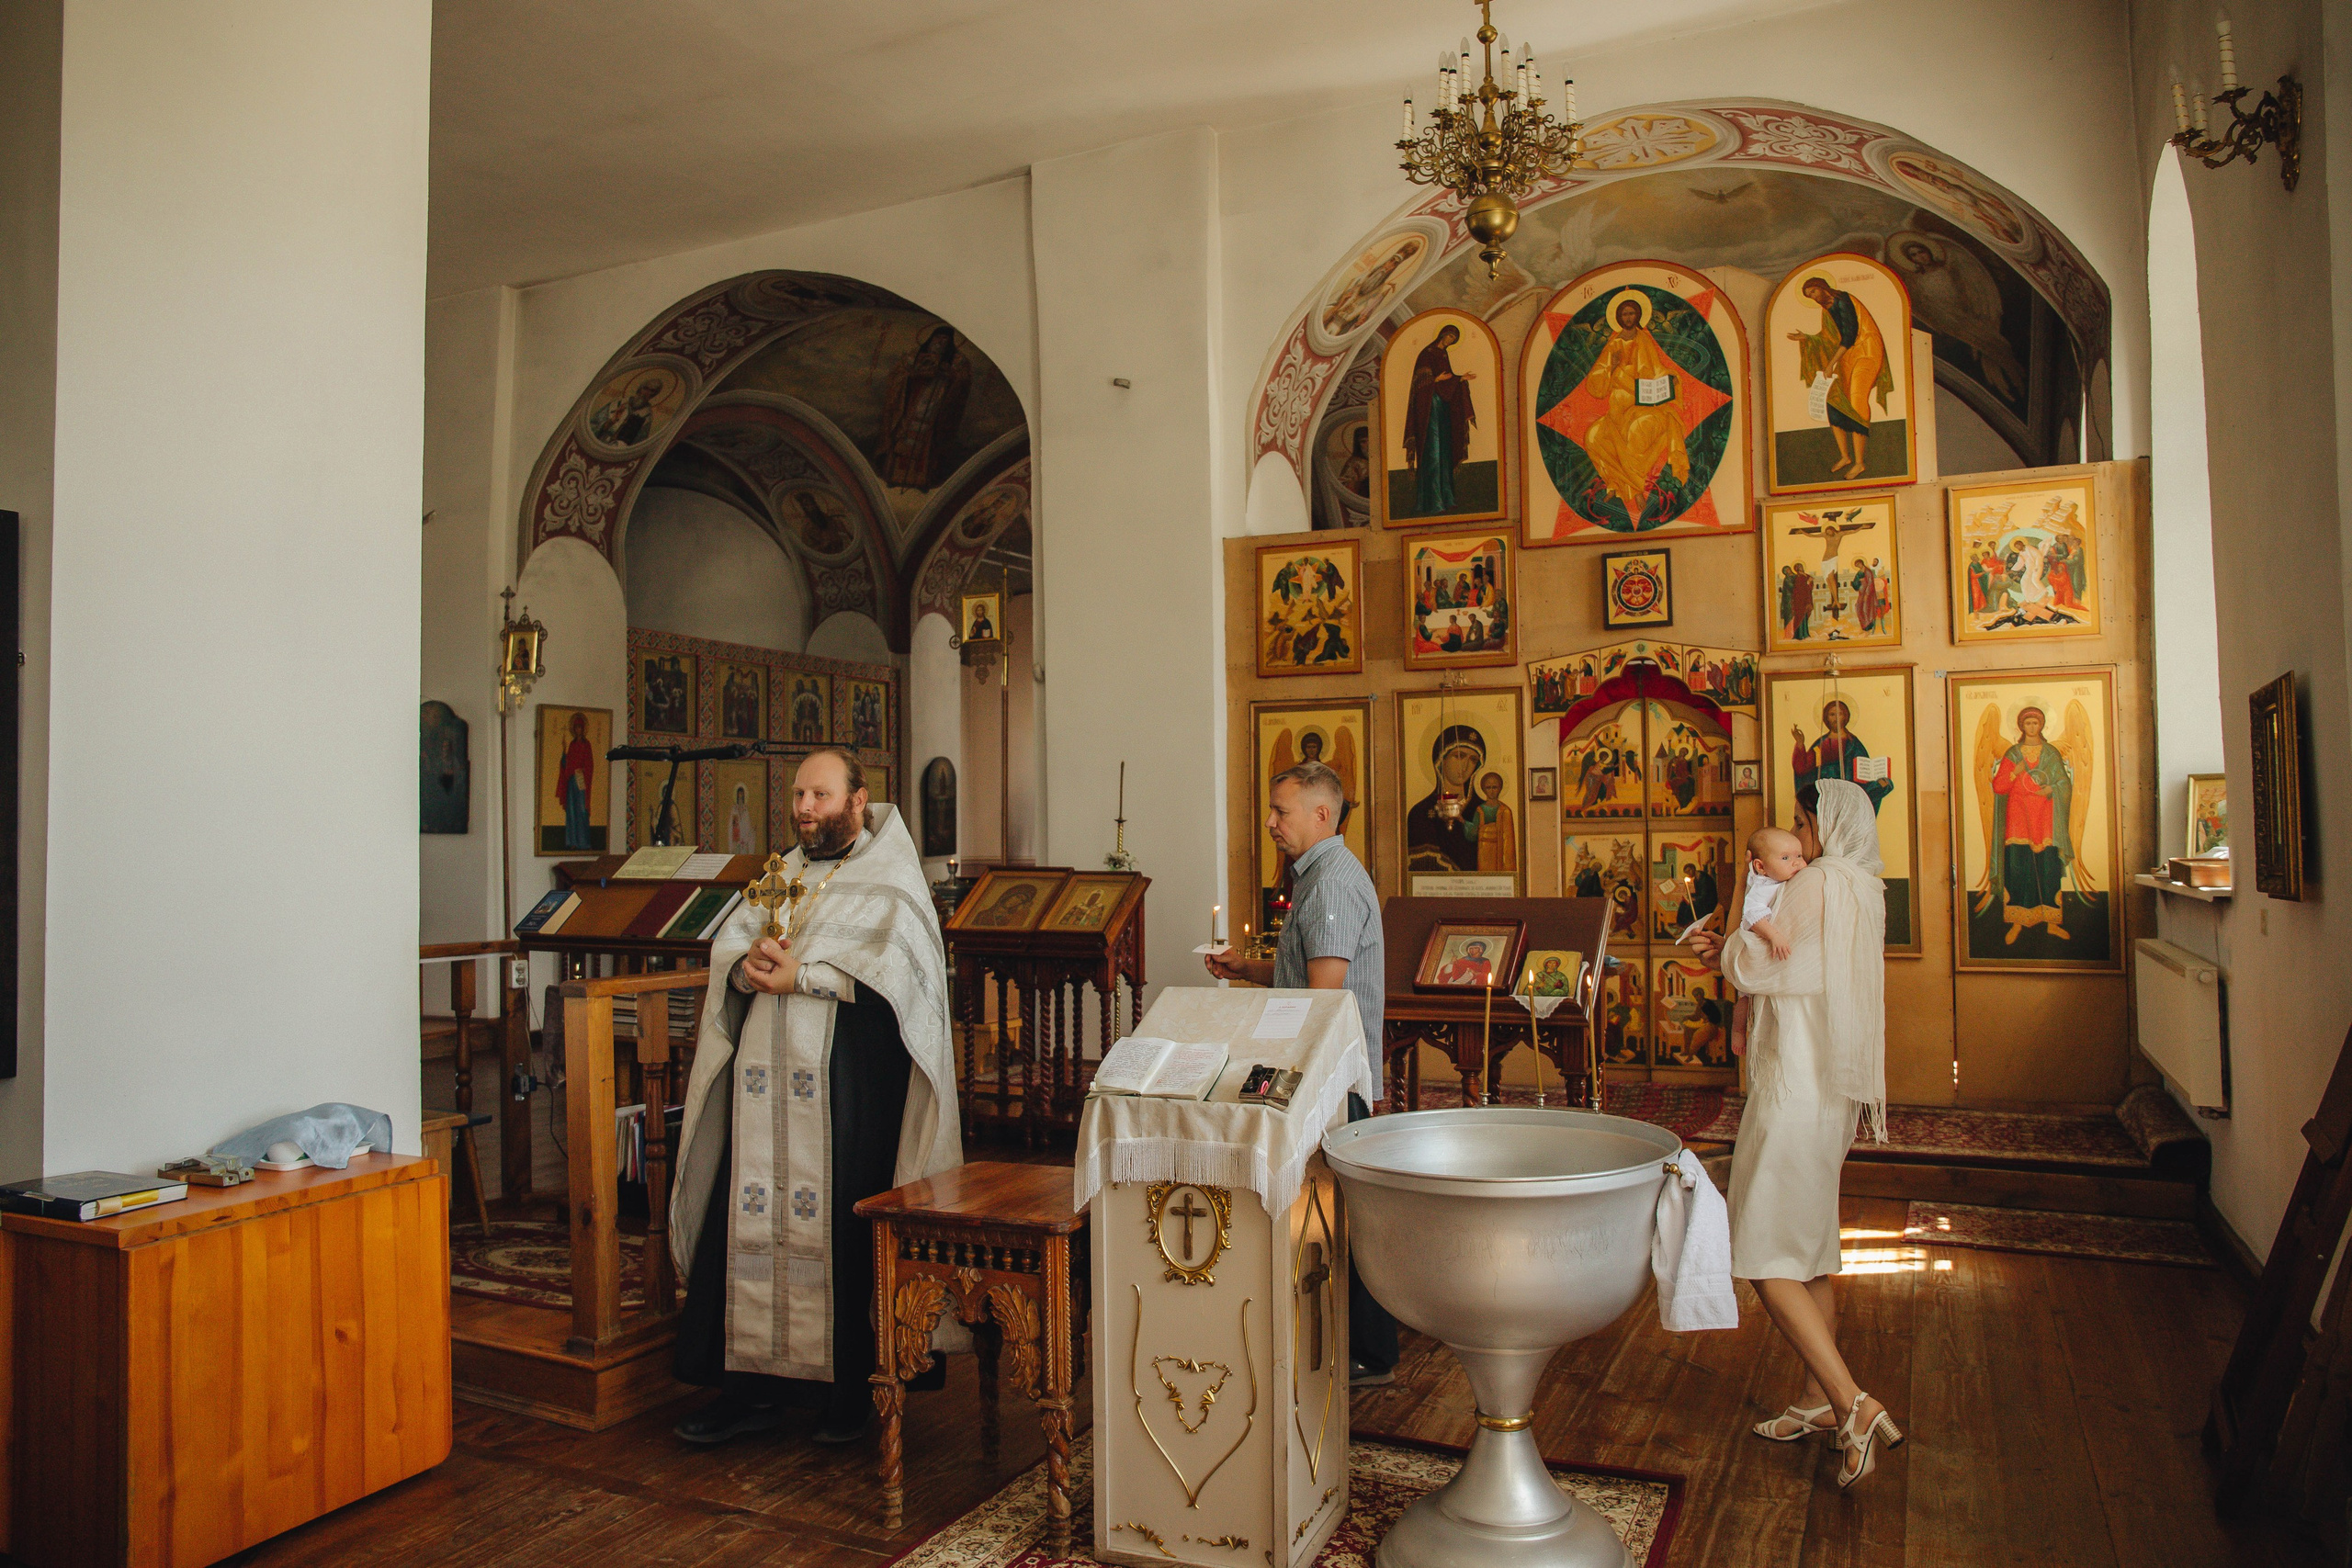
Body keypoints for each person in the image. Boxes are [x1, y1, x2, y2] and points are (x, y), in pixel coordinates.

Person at [668, 749, 961, 1448]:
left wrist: (804, 977)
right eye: (799, 794)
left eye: (819, 795)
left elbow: (905, 989)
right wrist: (744, 966)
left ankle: (848, 1393)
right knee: (744, 1222)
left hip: (847, 1091)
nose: (804, 807)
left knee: (842, 1231)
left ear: (858, 800)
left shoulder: (892, 881)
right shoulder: (782, 874)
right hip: (761, 1090)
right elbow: (731, 950)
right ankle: (747, 1389)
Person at [1688, 780, 1902, 1487]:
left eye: (1802, 825)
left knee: (1760, 1248)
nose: (1796, 840)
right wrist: (1737, 948)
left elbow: (1764, 966)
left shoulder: (1818, 883)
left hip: (1794, 1089)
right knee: (1808, 1248)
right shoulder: (1865, 885)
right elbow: (1791, 962)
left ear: (1826, 827)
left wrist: (1722, 952)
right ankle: (1815, 1398)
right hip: (1827, 1090)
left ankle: (1852, 1402)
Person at [1203, 760, 1396, 1387]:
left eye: (1280, 811)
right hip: (1324, 1074)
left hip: (1332, 1082)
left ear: (1321, 813)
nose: (1269, 822)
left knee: (1346, 1215)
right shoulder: (1319, 875)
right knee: (1333, 1210)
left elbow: (1322, 997)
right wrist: (1245, 969)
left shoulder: (1332, 883)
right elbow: (1303, 974)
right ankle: (1343, 1342)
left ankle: (1368, 1353)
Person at [1787, 275, 1894, 480]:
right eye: (1809, 296)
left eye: (1814, 291)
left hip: (1867, 350)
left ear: (1822, 287)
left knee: (1856, 399)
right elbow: (1829, 339)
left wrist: (1830, 364)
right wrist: (1807, 338)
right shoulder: (1826, 311)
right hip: (1848, 355)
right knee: (1834, 400)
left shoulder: (1844, 300)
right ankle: (1845, 456)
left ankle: (1859, 462)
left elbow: (1849, 335)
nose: (1814, 297)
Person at [1726, 826, 1807, 1058]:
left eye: (1799, 855)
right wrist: (1774, 935)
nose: (1796, 862)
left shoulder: (1780, 880)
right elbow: (1752, 916)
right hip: (1753, 947)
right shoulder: (1762, 886)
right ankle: (1737, 1031)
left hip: (1771, 956)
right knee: (1744, 999)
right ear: (1761, 867)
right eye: (1785, 858)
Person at [1402, 323, 1477, 515]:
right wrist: (1435, 380)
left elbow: (1448, 380)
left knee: (1444, 452)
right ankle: (1433, 502)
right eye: (1450, 336)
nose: (1450, 340)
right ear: (1442, 335)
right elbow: (1419, 381)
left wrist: (1460, 379)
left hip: (1442, 406)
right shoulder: (1426, 353)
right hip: (1429, 408)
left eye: (1454, 339)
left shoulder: (1444, 355)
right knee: (1433, 453)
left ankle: (1447, 498)